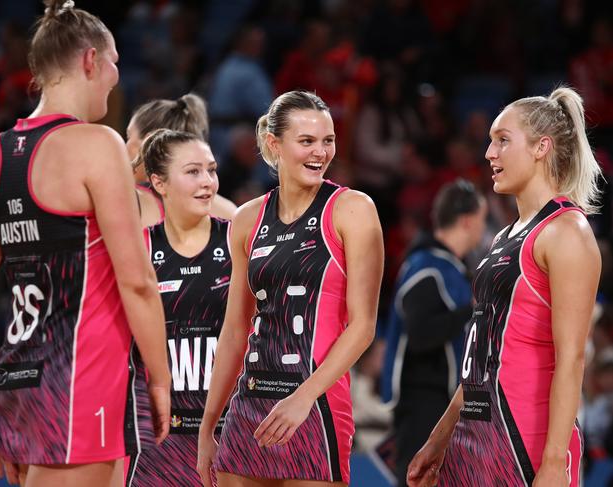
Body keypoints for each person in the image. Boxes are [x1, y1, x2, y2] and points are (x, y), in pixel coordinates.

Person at [0, 1, 171, 485]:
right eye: (115, 60)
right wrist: (162, 380)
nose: (117, 75)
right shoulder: (98, 145)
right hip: (83, 384)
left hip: (19, 386)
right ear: (89, 61)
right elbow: (137, 281)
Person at [407, 86, 602, 487]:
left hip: (525, 438)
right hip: (473, 434)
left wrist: (553, 463)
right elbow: (480, 353)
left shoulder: (568, 232)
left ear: (541, 147)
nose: (489, 154)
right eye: (490, 142)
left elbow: (572, 360)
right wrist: (439, 439)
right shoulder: (502, 238)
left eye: (502, 141)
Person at [197, 90, 384, 486]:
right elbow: (234, 331)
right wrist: (207, 425)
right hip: (250, 404)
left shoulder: (354, 209)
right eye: (307, 141)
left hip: (315, 405)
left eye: (328, 140)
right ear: (274, 144)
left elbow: (363, 326)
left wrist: (303, 398)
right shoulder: (247, 219)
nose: (320, 152)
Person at [124, 129, 231, 486]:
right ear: (159, 182)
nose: (207, 182)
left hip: (228, 433)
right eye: (193, 172)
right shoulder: (137, 250)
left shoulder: (238, 241)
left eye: (211, 170)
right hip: (156, 437)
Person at [381, 179, 487, 486]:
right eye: (481, 220)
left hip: (443, 401)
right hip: (423, 401)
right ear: (467, 221)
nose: (482, 229)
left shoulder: (452, 268)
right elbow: (420, 333)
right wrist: (473, 310)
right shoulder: (426, 266)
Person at [125, 93, 237, 226]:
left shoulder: (129, 204)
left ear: (148, 142)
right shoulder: (229, 211)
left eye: (128, 137)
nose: (124, 146)